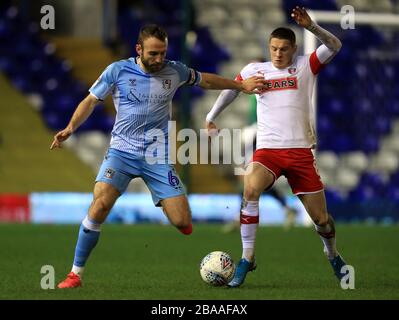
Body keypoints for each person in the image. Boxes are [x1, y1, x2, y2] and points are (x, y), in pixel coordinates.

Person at [51, 24, 266, 289]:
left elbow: (206, 80)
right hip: (122, 151)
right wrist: (71, 127)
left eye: (162, 53)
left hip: (156, 154)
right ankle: (75, 274)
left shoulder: (174, 70)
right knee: (100, 204)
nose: (158, 59)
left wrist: (240, 85)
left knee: (183, 222)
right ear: (138, 49)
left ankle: (164, 199)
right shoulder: (117, 70)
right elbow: (90, 101)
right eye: (153, 53)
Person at [206, 7, 348, 287]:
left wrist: (313, 27)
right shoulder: (254, 70)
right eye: (273, 48)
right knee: (250, 188)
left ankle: (332, 254)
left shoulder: (307, 65)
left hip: (301, 153)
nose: (278, 53)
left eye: (284, 49)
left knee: (322, 220)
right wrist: (211, 117)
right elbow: (232, 89)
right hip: (268, 151)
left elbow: (335, 45)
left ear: (293, 49)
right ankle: (247, 258)